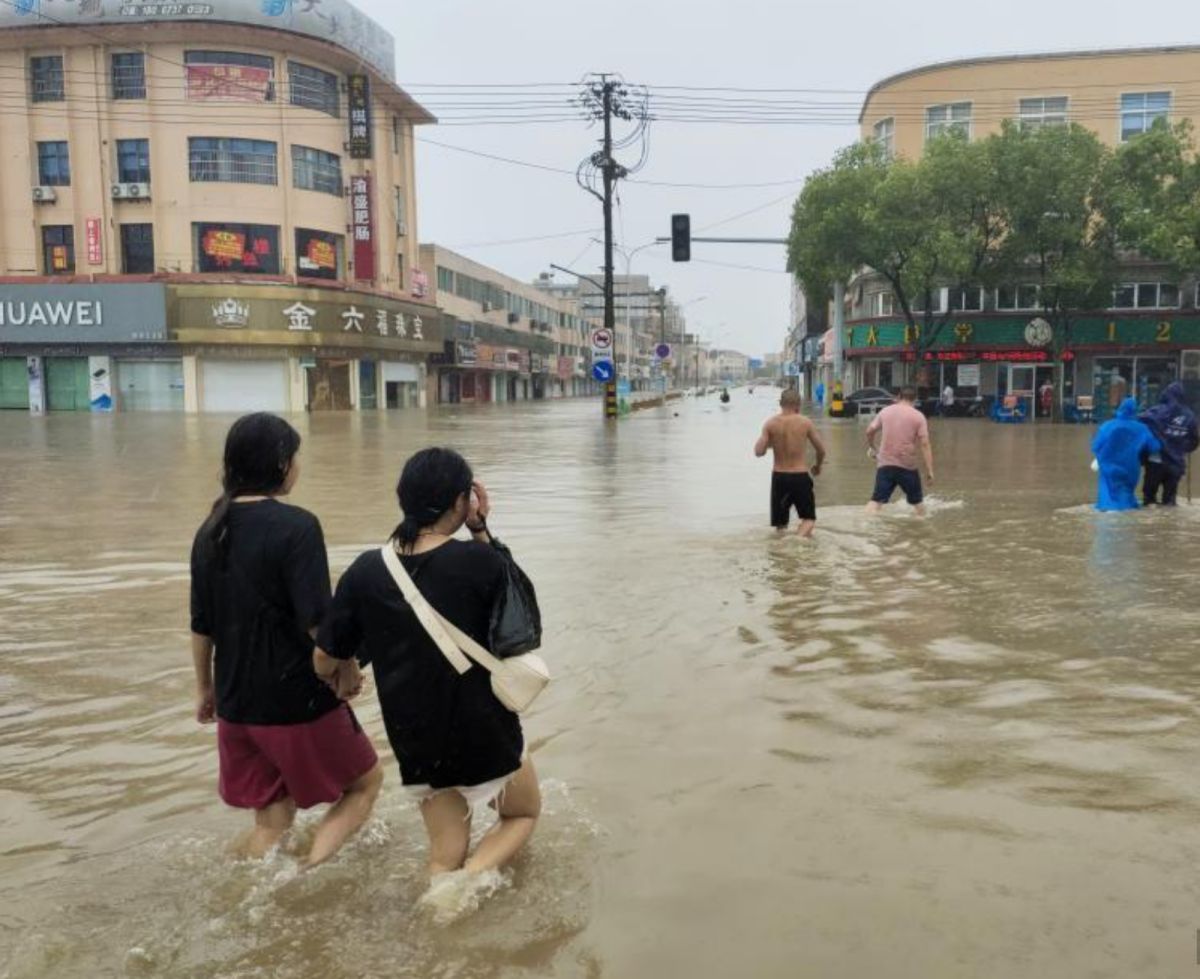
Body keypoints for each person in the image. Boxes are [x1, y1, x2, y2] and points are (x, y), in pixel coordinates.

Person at [314, 448, 540, 883]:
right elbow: (523, 626)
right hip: (482, 725)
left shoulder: (366, 571)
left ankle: (442, 890)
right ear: (462, 500)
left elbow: (325, 656)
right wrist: (481, 530)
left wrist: (341, 676)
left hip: (413, 735)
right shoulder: (480, 562)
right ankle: (462, 888)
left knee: (443, 853)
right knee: (521, 815)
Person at [190, 413, 382, 867]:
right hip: (295, 700)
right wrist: (347, 667)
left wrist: (205, 690)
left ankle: (246, 876)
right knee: (365, 784)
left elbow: (201, 625)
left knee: (272, 820)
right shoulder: (297, 527)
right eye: (295, 457)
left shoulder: (209, 529)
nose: (298, 466)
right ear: (280, 464)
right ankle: (307, 874)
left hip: (236, 706)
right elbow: (319, 622)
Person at [754, 388, 827, 538]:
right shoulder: (805, 422)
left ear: (780, 404)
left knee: (781, 526)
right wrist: (818, 466)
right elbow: (821, 450)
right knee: (808, 520)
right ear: (798, 405)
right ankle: (797, 541)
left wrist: (771, 442)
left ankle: (782, 554)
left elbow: (758, 452)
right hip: (800, 476)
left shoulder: (770, 424)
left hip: (779, 477)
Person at [865, 386, 935, 516]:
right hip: (907, 466)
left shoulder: (885, 411)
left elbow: (869, 431)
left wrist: (873, 447)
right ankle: (921, 534)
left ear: (898, 397)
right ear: (915, 399)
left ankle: (866, 526)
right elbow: (925, 444)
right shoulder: (918, 417)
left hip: (885, 464)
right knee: (919, 507)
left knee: (875, 502)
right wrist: (930, 471)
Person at [1092, 397, 1161, 512]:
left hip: (1108, 467)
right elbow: (1154, 446)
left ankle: (1108, 511)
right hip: (1130, 468)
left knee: (1107, 495)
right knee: (1126, 494)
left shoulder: (1107, 426)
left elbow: (1095, 446)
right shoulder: (1141, 428)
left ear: (1120, 409)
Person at [1139, 382, 1198, 506]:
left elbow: (1140, 421)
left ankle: (1153, 525)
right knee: (1170, 501)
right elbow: (1194, 441)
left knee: (1149, 500)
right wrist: (1182, 449)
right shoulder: (1190, 416)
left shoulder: (1157, 411)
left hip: (1156, 461)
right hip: (1176, 465)